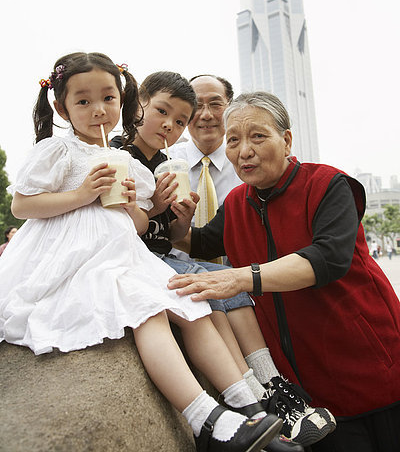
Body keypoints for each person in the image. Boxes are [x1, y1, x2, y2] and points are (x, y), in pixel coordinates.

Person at [0, 55, 284, 452]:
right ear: (62, 107)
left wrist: (137, 207)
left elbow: (135, 225)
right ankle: (206, 418)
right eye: (83, 102)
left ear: (122, 101)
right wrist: (83, 195)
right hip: (74, 256)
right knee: (148, 310)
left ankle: (250, 409)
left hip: (122, 251)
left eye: (108, 98)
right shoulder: (57, 151)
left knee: (190, 305)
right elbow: (23, 205)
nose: (98, 110)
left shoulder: (126, 161)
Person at [111, 71, 335, 449]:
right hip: (143, 259)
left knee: (226, 279)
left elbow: (177, 234)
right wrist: (165, 215)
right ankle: (254, 401)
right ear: (140, 104)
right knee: (205, 288)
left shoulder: (176, 160)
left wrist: (174, 220)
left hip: (277, 298)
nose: (172, 125)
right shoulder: (124, 157)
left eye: (180, 119)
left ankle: (272, 385)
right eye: (166, 113)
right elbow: (134, 225)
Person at [168, 91, 400, 452]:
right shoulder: (236, 204)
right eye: (234, 140)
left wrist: (240, 277)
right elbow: (198, 243)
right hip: (310, 391)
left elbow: (327, 258)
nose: (244, 150)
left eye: (257, 136)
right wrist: (177, 226)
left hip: (371, 366)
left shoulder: (327, 184)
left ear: (287, 139)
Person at [169, 74, 242, 263]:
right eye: (197, 105)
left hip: (237, 281)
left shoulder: (247, 165)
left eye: (216, 104)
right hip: (172, 279)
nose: (206, 115)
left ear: (230, 108)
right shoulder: (165, 162)